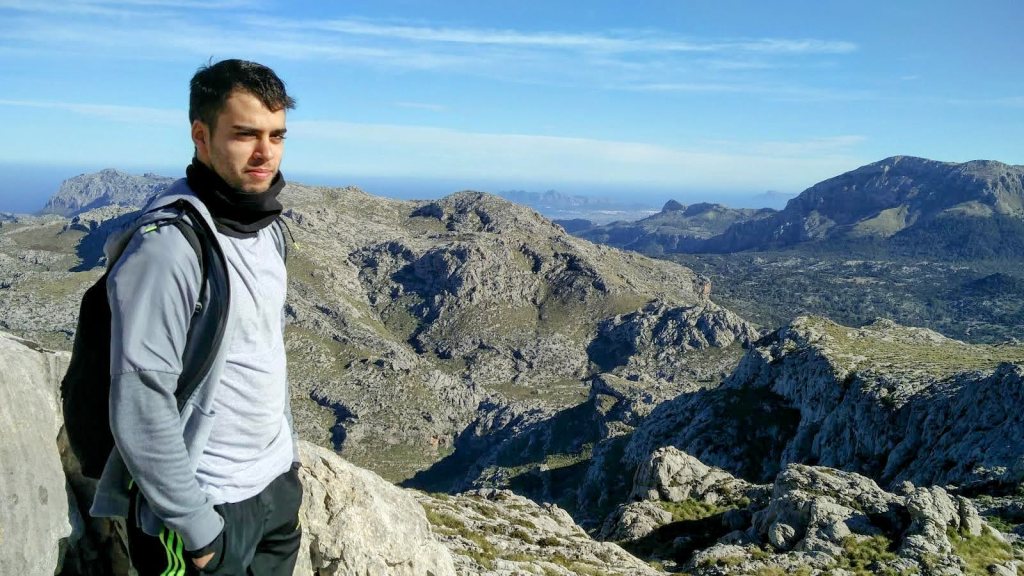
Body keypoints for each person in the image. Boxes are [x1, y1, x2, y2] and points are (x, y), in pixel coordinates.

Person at [89, 59, 302, 575]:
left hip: (275, 488)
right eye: (245, 134)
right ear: (201, 136)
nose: (264, 153)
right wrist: (196, 527)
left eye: (277, 135)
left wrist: (288, 469)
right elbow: (140, 399)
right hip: (208, 507)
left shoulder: (267, 228)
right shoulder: (167, 251)